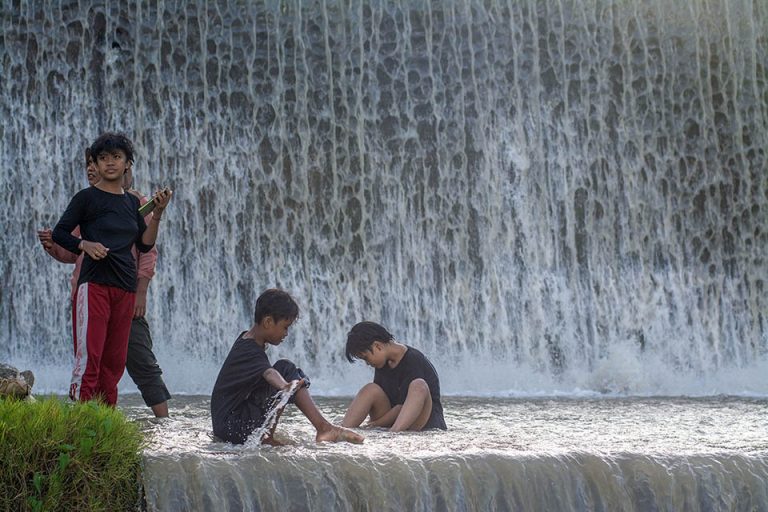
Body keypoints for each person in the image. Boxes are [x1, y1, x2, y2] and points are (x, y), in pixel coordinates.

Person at [38, 149, 171, 416]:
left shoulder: (136, 202)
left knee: (124, 361)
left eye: (115, 158)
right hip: (92, 287)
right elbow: (73, 247)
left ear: (127, 166)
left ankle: (149, 421)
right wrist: (55, 246)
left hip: (125, 291)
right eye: (96, 161)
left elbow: (147, 248)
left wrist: (141, 292)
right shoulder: (86, 200)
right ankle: (83, 422)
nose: (98, 167)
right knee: (91, 358)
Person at [210, 289, 364, 445]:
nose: (286, 333)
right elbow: (269, 373)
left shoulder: (247, 339)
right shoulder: (250, 350)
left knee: (286, 372)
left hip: (227, 425)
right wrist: (285, 386)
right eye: (285, 327)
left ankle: (268, 436)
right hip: (233, 427)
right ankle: (323, 428)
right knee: (286, 369)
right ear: (268, 322)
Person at [342, 321, 447, 431]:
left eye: (366, 358)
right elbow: (382, 400)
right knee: (370, 389)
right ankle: (343, 429)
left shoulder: (413, 360)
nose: (367, 363)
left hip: (423, 421)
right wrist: (374, 424)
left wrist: (373, 425)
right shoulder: (382, 363)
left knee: (419, 385)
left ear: (377, 346)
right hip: (396, 419)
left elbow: (402, 407)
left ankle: (394, 433)